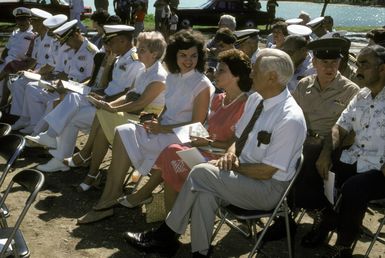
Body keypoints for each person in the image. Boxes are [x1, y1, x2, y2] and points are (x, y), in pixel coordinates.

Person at [123, 48, 307, 257]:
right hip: (242, 175)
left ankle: (166, 235)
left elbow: (267, 172)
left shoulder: (289, 118)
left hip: (267, 188)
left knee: (201, 172)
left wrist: (233, 164)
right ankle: (200, 253)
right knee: (205, 193)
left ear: (272, 77)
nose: (251, 74)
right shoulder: (256, 100)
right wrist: (230, 154)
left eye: (255, 70)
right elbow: (238, 140)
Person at [77, 29, 215, 224]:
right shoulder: (173, 77)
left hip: (182, 138)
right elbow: (168, 108)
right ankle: (112, 193)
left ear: (199, 56)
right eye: (183, 55)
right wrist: (156, 122)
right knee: (124, 130)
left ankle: (106, 203)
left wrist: (163, 128)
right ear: (175, 54)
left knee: (127, 134)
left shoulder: (202, 84)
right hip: (164, 130)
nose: (188, 60)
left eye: (193, 55)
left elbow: (197, 124)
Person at [118, 49, 251, 212]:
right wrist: (198, 135)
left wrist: (207, 141)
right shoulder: (219, 99)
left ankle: (162, 210)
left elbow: (235, 146)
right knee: (172, 152)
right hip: (202, 151)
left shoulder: (245, 106)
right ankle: (168, 215)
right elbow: (205, 128)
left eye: (222, 70)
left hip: (217, 161)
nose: (215, 73)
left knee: (172, 153)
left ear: (236, 75)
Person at [25, 25, 143, 173]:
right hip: (104, 99)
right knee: (73, 97)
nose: (108, 46)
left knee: (72, 114)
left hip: (112, 109)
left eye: (111, 42)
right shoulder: (120, 57)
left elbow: (128, 93)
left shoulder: (135, 61)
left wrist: (105, 100)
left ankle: (54, 146)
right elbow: (111, 86)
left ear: (122, 41)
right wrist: (99, 94)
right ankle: (56, 149)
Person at [65, 31, 168, 191]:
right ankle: (90, 172)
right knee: (103, 119)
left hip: (146, 122)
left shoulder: (159, 76)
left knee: (104, 115)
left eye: (142, 50)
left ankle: (88, 163)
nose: (138, 52)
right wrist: (109, 104)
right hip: (133, 115)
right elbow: (129, 95)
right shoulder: (144, 70)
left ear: (154, 54)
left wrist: (112, 108)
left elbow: (139, 104)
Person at [314, 44, 385, 258]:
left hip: (380, 168)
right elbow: (339, 127)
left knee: (354, 188)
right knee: (321, 167)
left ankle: (344, 244)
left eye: (364, 64)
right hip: (355, 159)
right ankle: (326, 223)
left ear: (382, 69)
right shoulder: (361, 96)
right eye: (357, 63)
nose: (357, 69)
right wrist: (325, 154)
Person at [291, 38, 360, 248]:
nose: (330, 67)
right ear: (314, 62)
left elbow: (351, 133)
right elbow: (292, 117)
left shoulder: (351, 91)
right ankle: (284, 215)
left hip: (332, 147)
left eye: (334, 61)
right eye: (324, 62)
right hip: (302, 140)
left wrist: (329, 149)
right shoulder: (304, 85)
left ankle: (322, 214)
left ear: (340, 62)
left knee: (308, 155)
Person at [13, 20, 99, 136]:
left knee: (52, 103)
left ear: (76, 34)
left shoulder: (92, 52)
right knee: (32, 88)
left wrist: (70, 87)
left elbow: (91, 79)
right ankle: (33, 124)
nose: (66, 45)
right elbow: (65, 72)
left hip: (77, 91)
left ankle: (39, 133)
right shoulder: (69, 49)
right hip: (64, 87)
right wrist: (55, 83)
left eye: (67, 40)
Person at [0, 7, 35, 108]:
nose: (21, 22)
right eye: (19, 20)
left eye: (24, 19)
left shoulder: (34, 34)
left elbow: (33, 57)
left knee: (8, 72)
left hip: (21, 64)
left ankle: (3, 103)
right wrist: (2, 59)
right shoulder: (15, 33)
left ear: (30, 20)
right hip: (7, 62)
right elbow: (7, 49)